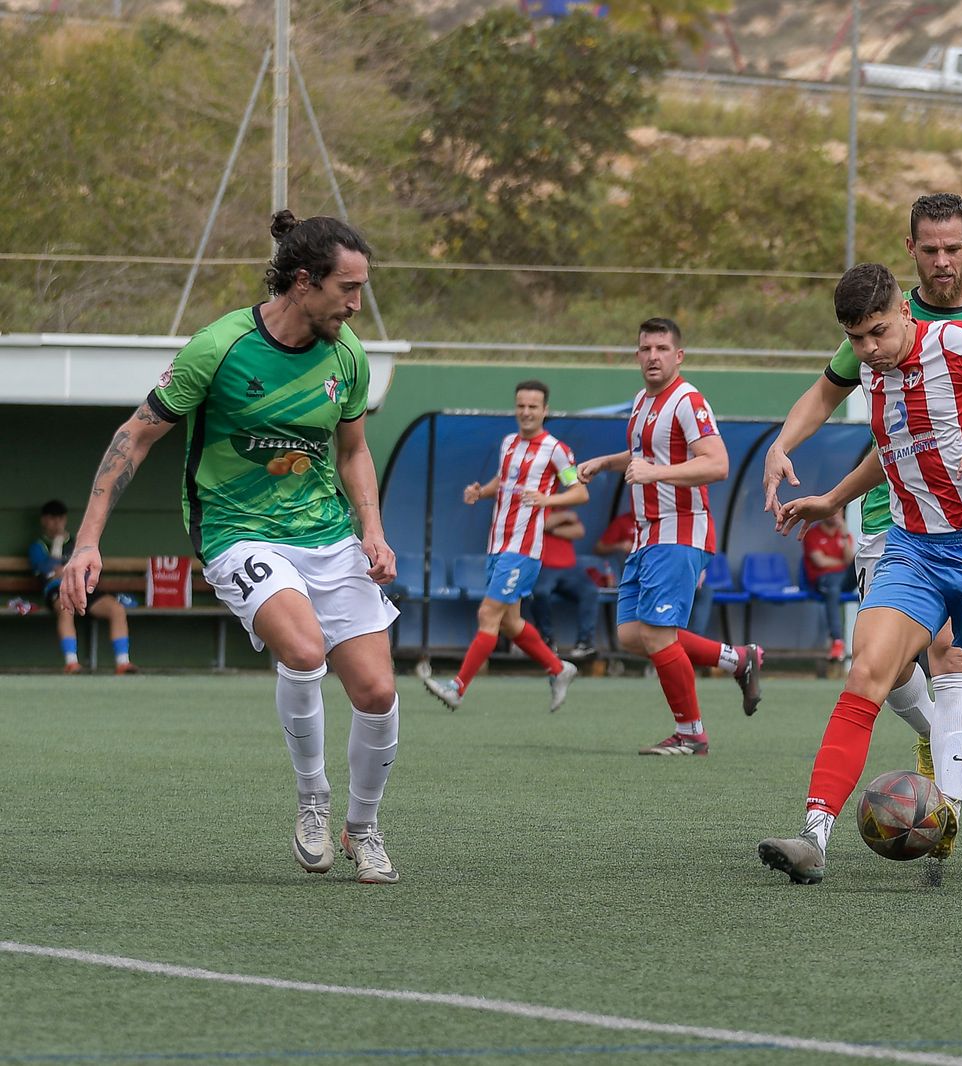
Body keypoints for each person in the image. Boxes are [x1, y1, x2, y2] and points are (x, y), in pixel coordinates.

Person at [59, 211, 404, 884]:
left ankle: (362, 828)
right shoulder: (219, 346)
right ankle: (312, 799)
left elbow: (354, 450)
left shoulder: (347, 355)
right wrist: (87, 542)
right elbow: (134, 436)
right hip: (235, 528)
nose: (357, 306)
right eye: (347, 288)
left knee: (378, 692)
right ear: (303, 282)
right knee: (304, 650)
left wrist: (372, 529)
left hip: (327, 532)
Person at [757, 262, 962, 886]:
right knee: (868, 671)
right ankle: (814, 835)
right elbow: (894, 449)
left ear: (905, 311)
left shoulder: (960, 342)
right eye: (856, 340)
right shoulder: (872, 374)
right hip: (914, 551)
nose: (869, 350)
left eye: (878, 333)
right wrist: (828, 496)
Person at [576, 318, 762, 754]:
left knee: (659, 634)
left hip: (680, 531)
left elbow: (717, 463)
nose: (653, 356)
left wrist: (656, 472)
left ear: (678, 355)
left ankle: (691, 733)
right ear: (637, 354)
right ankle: (739, 659)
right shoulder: (643, 401)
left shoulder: (687, 399)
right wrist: (607, 462)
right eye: (645, 348)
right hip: (646, 535)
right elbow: (645, 453)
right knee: (631, 635)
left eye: (662, 348)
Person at [422, 380, 585, 712]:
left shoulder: (556, 449)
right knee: (510, 623)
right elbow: (504, 480)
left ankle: (457, 687)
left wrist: (547, 498)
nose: (526, 412)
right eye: (521, 406)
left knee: (488, 613)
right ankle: (559, 668)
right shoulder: (509, 443)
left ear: (545, 410)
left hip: (523, 550)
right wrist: (480, 491)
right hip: (498, 545)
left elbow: (580, 492)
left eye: (533, 407)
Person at [29, 499, 138, 674]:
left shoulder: (76, 542)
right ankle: (71, 663)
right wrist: (57, 545)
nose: (56, 522)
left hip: (83, 587)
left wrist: (65, 570)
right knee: (66, 609)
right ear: (44, 520)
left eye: (60, 518)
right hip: (57, 589)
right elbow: (48, 570)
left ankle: (123, 662)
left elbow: (86, 567)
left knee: (116, 609)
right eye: (52, 518)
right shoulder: (37, 546)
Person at [528, 507, 600, 662]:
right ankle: (546, 639)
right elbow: (540, 524)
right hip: (542, 566)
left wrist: (553, 529)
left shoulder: (561, 507)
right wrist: (566, 517)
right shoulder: (533, 507)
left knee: (590, 592)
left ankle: (584, 643)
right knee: (540, 592)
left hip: (570, 568)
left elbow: (579, 531)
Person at [802, 511, 856, 661]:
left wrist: (844, 536)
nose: (834, 514)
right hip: (823, 579)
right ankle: (837, 641)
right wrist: (844, 564)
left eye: (838, 511)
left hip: (844, 580)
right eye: (831, 510)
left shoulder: (844, 535)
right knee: (833, 588)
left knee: (863, 562)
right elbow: (820, 562)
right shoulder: (812, 533)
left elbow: (850, 560)